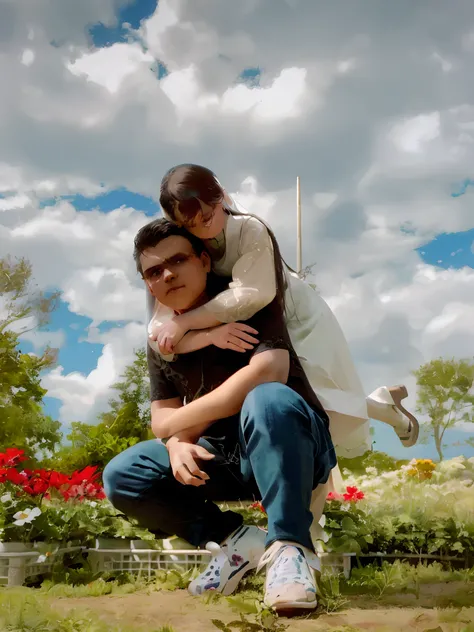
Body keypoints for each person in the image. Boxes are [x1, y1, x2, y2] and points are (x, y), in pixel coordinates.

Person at [103, 218, 337, 613]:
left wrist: (177, 429)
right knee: (125, 473)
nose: (168, 274)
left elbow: (268, 371)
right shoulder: (162, 340)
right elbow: (160, 420)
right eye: (154, 271)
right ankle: (236, 542)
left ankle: (290, 550)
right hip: (220, 457)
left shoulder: (248, 300)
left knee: (266, 399)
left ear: (205, 260)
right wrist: (177, 444)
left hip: (287, 441)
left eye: (178, 260)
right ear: (147, 284)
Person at [146, 163, 419, 462]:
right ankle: (382, 406)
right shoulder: (182, 242)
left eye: (208, 217)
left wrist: (185, 323)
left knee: (308, 390)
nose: (203, 229)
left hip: (291, 314)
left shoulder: (250, 229)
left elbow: (252, 294)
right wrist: (198, 334)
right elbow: (160, 335)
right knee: (289, 392)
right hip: (234, 319)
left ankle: (384, 411)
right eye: (191, 225)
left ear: (221, 196)